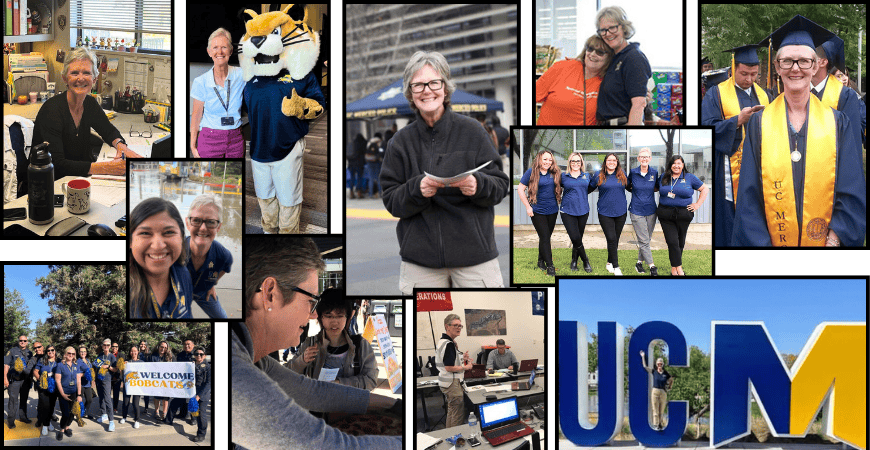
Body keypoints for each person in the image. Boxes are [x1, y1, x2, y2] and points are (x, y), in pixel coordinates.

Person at [232, 237, 402, 449]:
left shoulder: (254, 359)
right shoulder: (234, 368)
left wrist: (393, 404)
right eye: (311, 301)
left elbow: (310, 391)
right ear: (270, 293)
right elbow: (324, 445)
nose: (312, 315)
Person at [380, 51, 509, 292]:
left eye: (434, 83)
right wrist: (416, 189)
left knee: (484, 328)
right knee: (424, 330)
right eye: (418, 85)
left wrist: (478, 185)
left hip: (475, 259)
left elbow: (500, 185)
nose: (427, 90)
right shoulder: (399, 142)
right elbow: (391, 200)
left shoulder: (473, 131)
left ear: (446, 88)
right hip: (421, 262)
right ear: (410, 93)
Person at [733, 15, 865, 246]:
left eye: (804, 61)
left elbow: (851, 189)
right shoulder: (759, 123)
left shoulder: (838, 123)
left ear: (815, 66)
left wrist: (833, 241)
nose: (796, 69)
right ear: (777, 66)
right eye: (787, 61)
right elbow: (749, 197)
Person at [701, 45, 775, 246]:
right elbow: (707, 126)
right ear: (733, 68)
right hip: (728, 167)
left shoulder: (765, 96)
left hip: (760, 166)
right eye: (744, 73)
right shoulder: (716, 94)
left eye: (754, 74)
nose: (749, 79)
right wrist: (736, 121)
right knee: (729, 217)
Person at [31, 47, 139, 179]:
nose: (81, 78)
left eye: (87, 73)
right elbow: (57, 164)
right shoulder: (51, 111)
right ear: (65, 78)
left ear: (94, 79)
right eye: (75, 73)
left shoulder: (89, 103)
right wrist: (107, 168)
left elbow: (108, 131)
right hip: (52, 182)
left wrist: (121, 146)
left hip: (80, 178)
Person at [289, 289, 378, 390]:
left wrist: (340, 383)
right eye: (329, 316)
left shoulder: (360, 345)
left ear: (347, 317)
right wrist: (302, 361)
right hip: (318, 404)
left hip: (350, 404)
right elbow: (285, 373)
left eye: (340, 316)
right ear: (321, 318)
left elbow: (371, 380)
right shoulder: (311, 344)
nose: (334, 322)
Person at [128, 198, 194, 318]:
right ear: (130, 242)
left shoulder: (183, 274)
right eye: (145, 233)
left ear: (181, 237)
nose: (158, 246)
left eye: (168, 232)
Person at [190, 28, 246, 158]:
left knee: (234, 177)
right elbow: (196, 115)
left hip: (236, 140)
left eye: (224, 47)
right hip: (210, 139)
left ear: (231, 51)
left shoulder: (242, 75)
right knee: (210, 178)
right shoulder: (201, 82)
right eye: (215, 48)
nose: (219, 52)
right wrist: (193, 146)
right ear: (209, 52)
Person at [536, 35, 614, 125]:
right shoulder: (561, 67)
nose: (592, 54)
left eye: (600, 52)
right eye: (590, 49)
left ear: (610, 57)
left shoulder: (609, 82)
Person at [594, 6, 651, 125]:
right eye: (603, 30)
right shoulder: (614, 58)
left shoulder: (633, 58)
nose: (607, 34)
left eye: (612, 28)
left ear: (624, 27)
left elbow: (639, 104)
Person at [657, 155, 707, 275]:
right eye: (674, 163)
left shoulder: (689, 177)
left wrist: (697, 205)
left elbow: (705, 189)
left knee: (680, 241)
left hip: (684, 213)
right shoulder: (663, 177)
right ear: (670, 165)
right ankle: (679, 268)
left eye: (679, 163)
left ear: (683, 165)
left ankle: (674, 269)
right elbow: (653, 188)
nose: (676, 165)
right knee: (672, 241)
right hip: (665, 213)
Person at [185, 194, 231, 319]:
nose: (203, 228)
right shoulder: (174, 250)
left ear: (218, 227)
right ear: (188, 223)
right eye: (196, 220)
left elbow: (224, 268)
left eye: (211, 222)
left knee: (222, 318)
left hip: (203, 292)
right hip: (180, 294)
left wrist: (211, 284)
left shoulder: (223, 255)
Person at [518, 149, 562, 276]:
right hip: (537, 211)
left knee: (545, 237)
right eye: (545, 159)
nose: (548, 162)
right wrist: (528, 207)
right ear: (539, 159)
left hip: (553, 210)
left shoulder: (555, 173)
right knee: (545, 237)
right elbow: (520, 189)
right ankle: (550, 266)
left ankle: (540, 261)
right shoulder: (531, 172)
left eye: (550, 159)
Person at [589, 153, 629, 275]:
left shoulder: (622, 175)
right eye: (609, 160)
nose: (612, 162)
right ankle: (616, 267)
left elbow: (632, 188)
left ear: (617, 162)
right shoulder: (598, 175)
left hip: (621, 212)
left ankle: (609, 263)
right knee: (611, 238)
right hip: (605, 212)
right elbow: (587, 189)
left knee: (615, 239)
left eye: (614, 160)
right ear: (605, 162)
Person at [165, 346, 210, 442]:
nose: (198, 355)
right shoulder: (191, 365)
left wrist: (199, 396)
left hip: (201, 395)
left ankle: (201, 434)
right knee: (174, 403)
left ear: (204, 356)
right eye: (197, 354)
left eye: (201, 354)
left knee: (200, 414)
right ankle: (168, 421)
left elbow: (209, 383)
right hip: (188, 391)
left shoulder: (208, 368)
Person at [626, 148, 659, 275]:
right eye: (642, 157)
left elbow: (656, 187)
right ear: (638, 159)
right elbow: (628, 186)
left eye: (647, 157)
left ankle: (639, 263)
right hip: (636, 210)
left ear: (650, 158)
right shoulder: (633, 172)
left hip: (651, 210)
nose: (644, 159)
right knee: (644, 239)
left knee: (646, 239)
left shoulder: (654, 172)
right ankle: (652, 266)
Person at [436, 314, 472, 428]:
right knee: (457, 414)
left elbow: (450, 361)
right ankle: (456, 438)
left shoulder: (443, 341)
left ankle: (450, 435)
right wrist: (466, 367)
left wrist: (463, 358)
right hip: (452, 383)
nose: (458, 328)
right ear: (447, 326)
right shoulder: (449, 344)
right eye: (455, 325)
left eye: (460, 326)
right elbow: (449, 367)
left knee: (452, 411)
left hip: (446, 382)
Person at [559, 152, 593, 272]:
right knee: (575, 237)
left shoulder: (586, 176)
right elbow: (556, 188)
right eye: (573, 161)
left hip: (583, 210)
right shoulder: (563, 176)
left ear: (581, 163)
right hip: (567, 211)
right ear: (569, 162)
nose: (575, 163)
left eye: (578, 161)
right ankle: (585, 260)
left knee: (577, 238)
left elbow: (589, 188)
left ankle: (574, 261)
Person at [4, 334, 35, 429]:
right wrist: (5, 378)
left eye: (25, 341)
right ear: (18, 341)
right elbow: (6, 365)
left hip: (25, 381)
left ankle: (23, 417)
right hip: (15, 381)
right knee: (13, 401)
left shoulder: (29, 353)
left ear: (27, 342)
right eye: (21, 340)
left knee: (24, 400)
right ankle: (11, 421)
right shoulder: (12, 351)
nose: (23, 342)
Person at [53, 347, 83, 441]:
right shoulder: (60, 365)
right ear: (65, 354)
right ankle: (61, 429)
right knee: (65, 413)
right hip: (64, 393)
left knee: (72, 412)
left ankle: (67, 427)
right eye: (69, 353)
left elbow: (78, 380)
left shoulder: (76, 365)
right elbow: (58, 381)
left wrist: (79, 395)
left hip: (74, 393)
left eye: (73, 354)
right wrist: (62, 394)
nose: (71, 355)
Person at [640, 350, 672, 431]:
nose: (659, 365)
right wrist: (643, 356)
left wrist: (670, 386)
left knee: (662, 409)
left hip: (663, 392)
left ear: (663, 364)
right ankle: (656, 424)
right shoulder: (654, 371)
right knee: (655, 409)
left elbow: (671, 379)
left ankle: (661, 424)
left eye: (661, 364)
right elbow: (645, 366)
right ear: (656, 364)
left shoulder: (666, 373)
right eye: (658, 364)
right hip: (655, 391)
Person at [92, 338, 118, 431]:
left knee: (107, 399)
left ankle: (111, 422)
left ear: (110, 346)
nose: (106, 347)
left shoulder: (112, 357)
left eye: (107, 345)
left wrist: (108, 367)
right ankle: (104, 415)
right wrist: (99, 366)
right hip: (99, 379)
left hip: (107, 380)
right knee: (101, 397)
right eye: (104, 345)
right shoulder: (100, 355)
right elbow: (95, 364)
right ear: (102, 346)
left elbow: (115, 369)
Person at [34, 345, 59, 435]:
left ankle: (48, 423)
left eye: (52, 350)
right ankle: (45, 425)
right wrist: (41, 380)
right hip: (43, 387)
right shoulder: (42, 360)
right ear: (46, 352)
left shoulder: (59, 361)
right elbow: (35, 371)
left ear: (55, 351)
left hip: (54, 388)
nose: (50, 352)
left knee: (51, 406)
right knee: (45, 406)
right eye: (48, 350)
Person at [119, 345, 143, 428]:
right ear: (130, 352)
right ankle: (124, 417)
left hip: (137, 387)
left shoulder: (142, 362)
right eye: (132, 351)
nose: (133, 352)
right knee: (125, 403)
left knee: (135, 404)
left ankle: (137, 420)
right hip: (128, 386)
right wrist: (122, 367)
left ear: (138, 352)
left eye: (135, 350)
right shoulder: (127, 362)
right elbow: (122, 374)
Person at [76, 346, 95, 421]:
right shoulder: (78, 361)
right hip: (81, 384)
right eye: (81, 351)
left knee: (89, 400)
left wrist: (92, 380)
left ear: (86, 353)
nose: (83, 353)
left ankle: (84, 413)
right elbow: (78, 374)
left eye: (84, 351)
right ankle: (78, 416)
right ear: (79, 353)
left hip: (88, 384)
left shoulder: (88, 360)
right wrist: (85, 374)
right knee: (79, 401)